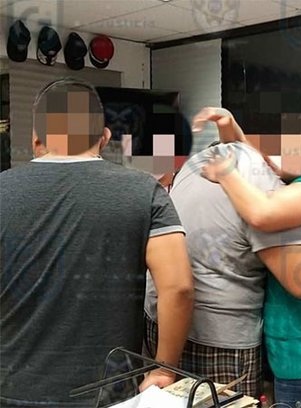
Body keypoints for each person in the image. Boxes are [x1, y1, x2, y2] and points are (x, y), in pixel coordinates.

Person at [146, 107, 301, 402]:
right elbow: (259, 161)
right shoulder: (298, 181)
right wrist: (230, 129)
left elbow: (262, 213)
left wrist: (226, 174)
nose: (270, 156)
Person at [0, 78, 194, 407]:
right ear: (104, 137)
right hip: (109, 393)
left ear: (36, 140)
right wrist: (164, 368)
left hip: (11, 389)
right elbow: (179, 288)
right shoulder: (145, 192)